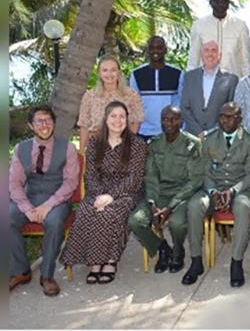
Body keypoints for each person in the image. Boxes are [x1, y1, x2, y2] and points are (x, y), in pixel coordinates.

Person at [62, 101, 148, 284]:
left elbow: (135, 177)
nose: (118, 120)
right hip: (97, 191)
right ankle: (94, 261)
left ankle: (109, 260)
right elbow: (90, 174)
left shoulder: (137, 144)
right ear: (106, 119)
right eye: (113, 116)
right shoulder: (94, 143)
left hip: (127, 192)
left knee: (110, 213)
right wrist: (100, 195)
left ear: (127, 120)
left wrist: (111, 197)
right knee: (86, 211)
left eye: (122, 116)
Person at [184, 102, 250, 288]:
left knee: (243, 207)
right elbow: (203, 170)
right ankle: (196, 261)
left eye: (230, 117)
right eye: (222, 116)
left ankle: (236, 263)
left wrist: (232, 190)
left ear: (240, 120)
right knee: (195, 205)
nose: (225, 120)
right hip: (213, 188)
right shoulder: (210, 139)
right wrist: (213, 191)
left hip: (241, 189)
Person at [10, 104, 80, 296]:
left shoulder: (68, 148)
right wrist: (26, 207)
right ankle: (21, 271)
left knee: (54, 221)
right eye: (39, 121)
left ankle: (47, 276)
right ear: (31, 126)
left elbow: (70, 183)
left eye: (48, 120)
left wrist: (48, 205)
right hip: (29, 197)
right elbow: (14, 184)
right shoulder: (20, 149)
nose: (44, 125)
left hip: (57, 199)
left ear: (54, 124)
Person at [127, 106, 204, 275]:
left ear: (181, 121)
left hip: (182, 194)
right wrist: (153, 203)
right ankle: (162, 248)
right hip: (159, 193)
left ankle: (178, 251)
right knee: (135, 221)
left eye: (174, 119)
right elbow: (151, 176)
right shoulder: (155, 144)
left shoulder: (192, 144)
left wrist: (171, 206)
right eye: (165, 119)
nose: (169, 123)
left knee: (176, 223)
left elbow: (195, 181)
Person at [78, 54, 144, 152]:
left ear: (119, 72)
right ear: (99, 73)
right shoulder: (90, 96)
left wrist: (125, 143)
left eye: (113, 70)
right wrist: (82, 151)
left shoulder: (131, 95)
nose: (109, 74)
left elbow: (136, 122)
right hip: (96, 149)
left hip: (123, 149)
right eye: (105, 70)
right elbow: (84, 125)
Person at [188, 0, 250, 78]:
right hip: (205, 83)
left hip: (233, 83)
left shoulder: (240, 26)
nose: (220, 4)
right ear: (210, 3)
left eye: (224, 1)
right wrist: (191, 83)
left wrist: (248, 85)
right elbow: (193, 59)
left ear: (229, 3)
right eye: (216, 1)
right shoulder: (199, 25)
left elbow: (246, 60)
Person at [181, 40, 239, 137]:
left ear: (219, 55)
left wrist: (210, 132)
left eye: (214, 50)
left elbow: (231, 111)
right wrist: (198, 132)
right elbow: (184, 107)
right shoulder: (189, 77)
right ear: (201, 54)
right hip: (192, 136)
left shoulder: (231, 79)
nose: (210, 54)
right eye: (206, 50)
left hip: (218, 136)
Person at [129, 35, 183, 140]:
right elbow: (133, 104)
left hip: (170, 132)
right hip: (143, 131)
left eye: (159, 47)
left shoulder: (177, 73)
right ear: (147, 50)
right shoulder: (137, 74)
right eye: (152, 48)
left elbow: (182, 102)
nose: (155, 51)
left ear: (165, 50)